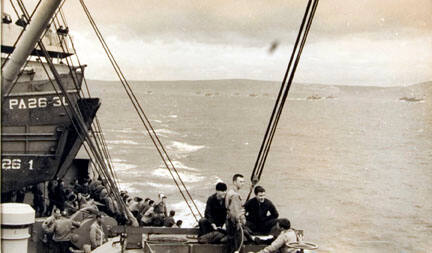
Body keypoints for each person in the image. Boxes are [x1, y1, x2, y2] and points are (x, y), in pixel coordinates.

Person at [225, 174, 249, 253]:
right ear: (234, 182)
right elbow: (235, 213)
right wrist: (240, 222)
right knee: (237, 247)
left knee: (231, 244)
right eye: (240, 181)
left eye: (243, 182)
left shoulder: (230, 192)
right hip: (235, 225)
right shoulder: (235, 196)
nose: (243, 183)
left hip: (230, 223)